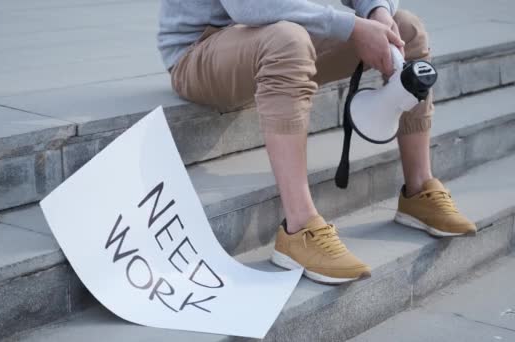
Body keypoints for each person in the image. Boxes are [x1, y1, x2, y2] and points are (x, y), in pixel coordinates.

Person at [157, 0, 476, 285]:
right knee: (287, 40)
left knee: (406, 28)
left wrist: (377, 11)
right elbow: (249, 7)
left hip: (271, 32)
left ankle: (419, 189)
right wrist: (351, 26)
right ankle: (299, 229)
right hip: (200, 50)